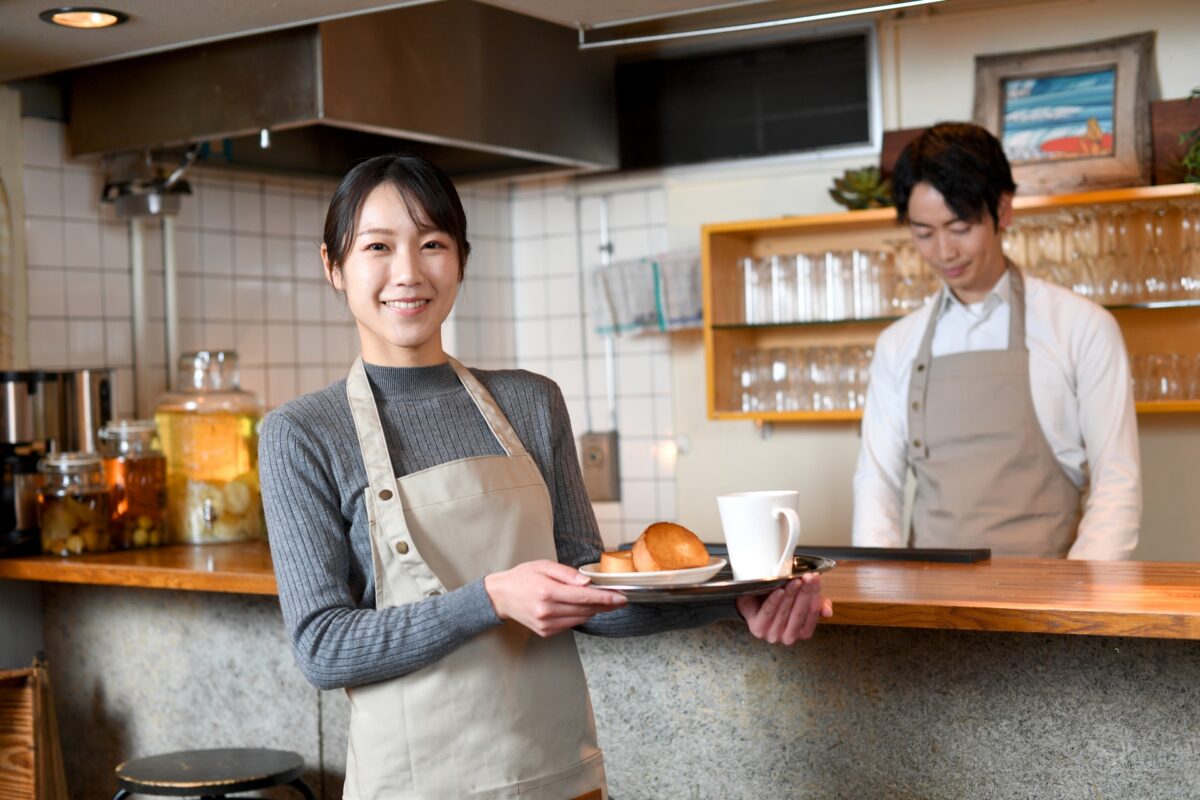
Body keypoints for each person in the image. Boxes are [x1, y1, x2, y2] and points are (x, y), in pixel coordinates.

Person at [259, 153, 832, 800]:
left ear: (461, 260)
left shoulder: (531, 402)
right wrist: (492, 599)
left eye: (432, 244)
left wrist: (734, 597)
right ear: (333, 266)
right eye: (378, 247)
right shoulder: (303, 433)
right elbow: (324, 647)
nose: (409, 272)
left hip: (559, 778)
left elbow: (588, 593)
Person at [852, 122, 1141, 560]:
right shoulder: (898, 344)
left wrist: (1081, 606)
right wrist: (882, 594)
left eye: (959, 227)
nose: (943, 252)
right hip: (926, 605)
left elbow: (1117, 483)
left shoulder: (1082, 326)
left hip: (1050, 601)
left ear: (1003, 211)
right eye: (924, 233)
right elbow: (878, 485)